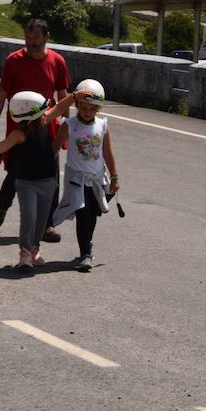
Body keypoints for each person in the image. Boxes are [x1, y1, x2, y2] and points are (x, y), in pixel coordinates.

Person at [0, 88, 88, 268]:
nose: (46, 111)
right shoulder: (19, 134)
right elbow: (1, 146)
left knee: (41, 220)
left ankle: (35, 249)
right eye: (42, 108)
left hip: (48, 181)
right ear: (32, 113)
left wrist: (74, 97)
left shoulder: (45, 121)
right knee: (29, 217)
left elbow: (60, 107)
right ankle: (24, 253)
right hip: (25, 183)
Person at [0, 18, 71, 244]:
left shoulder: (57, 61)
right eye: (28, 37)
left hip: (48, 128)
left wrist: (68, 125)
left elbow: (62, 95)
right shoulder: (13, 61)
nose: (31, 42)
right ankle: (3, 204)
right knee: (16, 172)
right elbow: (2, 95)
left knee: (50, 175)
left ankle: (48, 225)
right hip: (19, 128)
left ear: (46, 36)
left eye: (35, 38)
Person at [53, 79, 120, 272]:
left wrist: (114, 177)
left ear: (97, 109)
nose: (88, 112)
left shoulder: (102, 126)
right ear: (77, 105)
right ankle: (86, 253)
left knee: (92, 216)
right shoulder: (69, 125)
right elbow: (55, 149)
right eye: (84, 107)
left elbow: (108, 153)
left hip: (97, 179)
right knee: (83, 214)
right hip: (77, 180)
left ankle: (86, 246)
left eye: (92, 109)